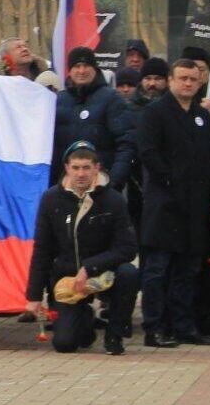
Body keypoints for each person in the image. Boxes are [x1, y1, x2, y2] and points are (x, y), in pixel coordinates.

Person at [135, 58, 210, 347]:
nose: (187, 83)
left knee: (187, 270)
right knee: (158, 270)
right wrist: (170, 180)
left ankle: (183, 326)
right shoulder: (154, 113)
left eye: (192, 79)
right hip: (165, 204)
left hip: (195, 206)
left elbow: (209, 159)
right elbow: (148, 152)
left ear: (199, 83)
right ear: (171, 80)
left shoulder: (202, 116)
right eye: (182, 78)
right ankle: (154, 327)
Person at [26, 141, 139, 355]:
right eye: (75, 167)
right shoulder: (51, 199)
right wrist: (33, 296)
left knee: (129, 274)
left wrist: (90, 267)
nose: (81, 174)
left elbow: (127, 248)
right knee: (65, 344)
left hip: (104, 274)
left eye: (86, 167)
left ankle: (115, 334)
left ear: (97, 168)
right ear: (67, 168)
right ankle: (85, 320)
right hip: (68, 280)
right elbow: (42, 249)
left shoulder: (113, 200)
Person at [50, 47, 135, 188]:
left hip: (101, 187)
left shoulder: (112, 99)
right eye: (77, 66)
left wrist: (113, 183)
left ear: (95, 69)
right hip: (65, 188)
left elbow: (127, 143)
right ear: (69, 71)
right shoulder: (58, 101)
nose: (82, 71)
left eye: (86, 66)